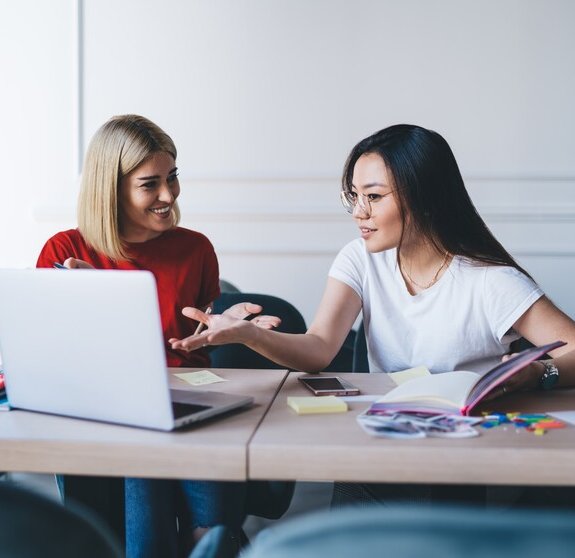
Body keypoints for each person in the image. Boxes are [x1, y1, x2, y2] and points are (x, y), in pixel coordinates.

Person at [170, 124, 575, 506]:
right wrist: (248, 335)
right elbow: (318, 349)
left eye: (374, 197)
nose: (358, 213)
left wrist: (541, 373)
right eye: (354, 196)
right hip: (386, 439)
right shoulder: (360, 259)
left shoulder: (491, 282)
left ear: (424, 198)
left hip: (464, 452)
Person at [37, 114, 277, 557]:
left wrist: (235, 326)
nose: (169, 195)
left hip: (189, 401)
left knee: (177, 483)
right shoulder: (65, 251)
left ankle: (202, 539)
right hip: (107, 407)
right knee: (143, 453)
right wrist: (98, 304)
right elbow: (53, 357)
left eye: (173, 177)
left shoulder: (195, 248)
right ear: (111, 189)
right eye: (150, 184)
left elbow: (199, 329)